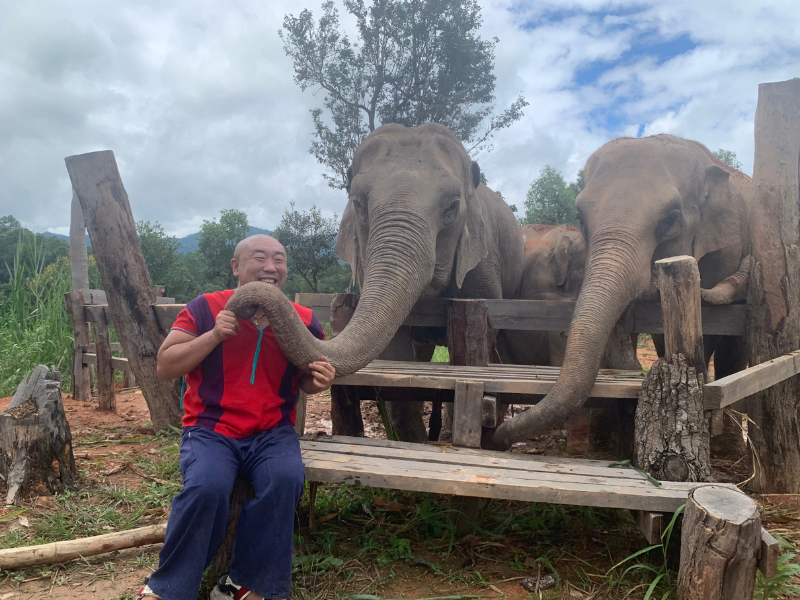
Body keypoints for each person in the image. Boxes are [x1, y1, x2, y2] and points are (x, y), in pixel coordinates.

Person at [138, 235, 336, 600]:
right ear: (236, 267)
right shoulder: (205, 307)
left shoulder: (304, 320)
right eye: (258, 258)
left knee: (285, 480)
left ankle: (244, 583)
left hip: (272, 431)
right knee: (206, 486)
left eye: (279, 259)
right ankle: (168, 587)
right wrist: (214, 335)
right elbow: (166, 365)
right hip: (211, 428)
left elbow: (306, 379)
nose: (270, 267)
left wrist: (317, 380)